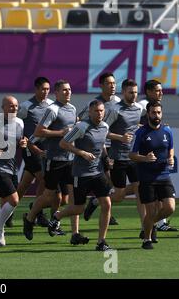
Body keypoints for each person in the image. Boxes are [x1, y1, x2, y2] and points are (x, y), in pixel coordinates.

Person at [23, 80, 88, 245]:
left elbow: (72, 132)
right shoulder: (52, 109)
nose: (68, 92)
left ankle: (75, 233)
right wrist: (61, 132)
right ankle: (30, 218)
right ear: (57, 93)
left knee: (72, 199)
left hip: (71, 160)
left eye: (70, 89)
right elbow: (39, 131)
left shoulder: (72, 109)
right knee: (48, 196)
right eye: (64, 90)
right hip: (54, 160)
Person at [84, 79, 147, 237]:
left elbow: (134, 126)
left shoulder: (139, 108)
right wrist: (120, 137)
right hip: (118, 156)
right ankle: (96, 201)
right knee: (118, 196)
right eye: (130, 92)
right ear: (123, 92)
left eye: (135, 92)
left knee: (141, 189)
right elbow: (103, 131)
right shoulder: (115, 109)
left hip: (134, 155)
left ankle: (145, 227)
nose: (133, 95)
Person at [47, 100, 113, 251]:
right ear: (89, 112)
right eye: (96, 111)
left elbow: (102, 144)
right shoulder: (81, 126)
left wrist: (106, 159)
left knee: (107, 204)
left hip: (98, 172)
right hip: (81, 174)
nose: (99, 114)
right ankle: (57, 216)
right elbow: (63, 143)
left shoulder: (104, 126)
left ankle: (101, 242)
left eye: (102, 111)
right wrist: (81, 152)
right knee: (78, 209)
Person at [6, 77, 53, 228]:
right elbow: (15, 124)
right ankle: (37, 212)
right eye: (43, 89)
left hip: (45, 149)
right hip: (30, 148)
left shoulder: (51, 105)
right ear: (36, 89)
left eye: (48, 89)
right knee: (45, 180)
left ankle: (7, 211)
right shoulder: (26, 106)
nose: (46, 92)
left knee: (24, 184)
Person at [130, 102, 176, 250]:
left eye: (158, 113)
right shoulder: (141, 133)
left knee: (170, 208)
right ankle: (147, 240)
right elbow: (131, 155)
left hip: (164, 176)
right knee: (150, 211)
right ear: (148, 114)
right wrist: (145, 158)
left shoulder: (167, 131)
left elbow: (171, 149)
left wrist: (171, 158)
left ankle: (148, 225)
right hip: (147, 178)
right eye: (153, 113)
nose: (156, 115)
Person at [0, 96, 27, 247]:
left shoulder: (20, 122)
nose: (14, 108)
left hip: (12, 167)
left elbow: (21, 141)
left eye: (16, 106)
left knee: (4, 203)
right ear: (3, 107)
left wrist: (23, 143)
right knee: (14, 200)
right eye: (10, 106)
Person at [79, 72, 120, 225]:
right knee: (106, 181)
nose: (113, 86)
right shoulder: (94, 103)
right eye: (109, 83)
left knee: (111, 184)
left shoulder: (118, 102)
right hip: (97, 147)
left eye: (114, 83)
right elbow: (79, 119)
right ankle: (101, 206)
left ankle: (97, 203)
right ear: (101, 85)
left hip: (113, 147)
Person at [138, 80, 178, 232]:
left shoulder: (157, 108)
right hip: (144, 154)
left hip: (158, 159)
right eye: (157, 90)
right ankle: (151, 226)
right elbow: (134, 125)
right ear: (148, 92)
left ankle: (155, 224)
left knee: (161, 196)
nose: (161, 93)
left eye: (161, 90)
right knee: (143, 194)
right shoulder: (141, 105)